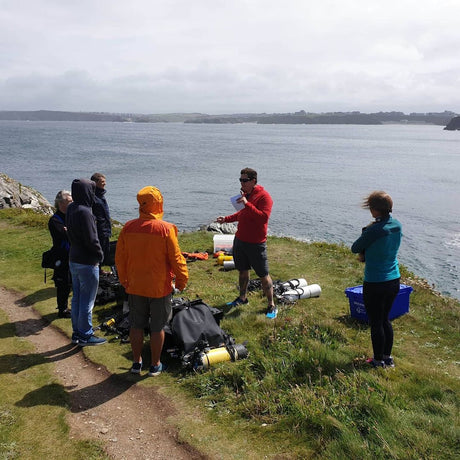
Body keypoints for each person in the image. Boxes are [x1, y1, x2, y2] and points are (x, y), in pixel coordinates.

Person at [115, 186, 189, 376]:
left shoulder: (128, 227)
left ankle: (136, 362)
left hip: (134, 285)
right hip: (159, 287)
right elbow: (176, 258)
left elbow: (120, 258)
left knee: (136, 324)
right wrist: (181, 281)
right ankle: (155, 364)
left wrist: (124, 280)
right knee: (157, 327)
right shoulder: (165, 229)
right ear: (158, 203)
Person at [216, 167, 276, 318]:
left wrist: (247, 203)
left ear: (253, 181)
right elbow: (242, 214)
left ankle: (271, 305)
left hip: (256, 243)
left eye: (244, 180)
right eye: (240, 180)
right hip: (240, 240)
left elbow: (263, 218)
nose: (241, 183)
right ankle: (242, 298)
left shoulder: (264, 197)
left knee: (263, 275)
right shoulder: (246, 195)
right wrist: (226, 219)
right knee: (243, 271)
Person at [351, 191, 402, 368]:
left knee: (375, 322)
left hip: (375, 282)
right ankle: (388, 358)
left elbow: (355, 247)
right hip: (394, 279)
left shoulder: (374, 230)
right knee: (385, 319)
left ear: (374, 210)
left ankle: (378, 360)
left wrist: (367, 235)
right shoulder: (397, 225)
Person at [66, 178, 107, 346]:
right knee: (87, 301)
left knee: (77, 298)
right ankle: (86, 334)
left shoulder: (71, 208)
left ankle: (77, 332)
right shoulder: (86, 212)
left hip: (73, 258)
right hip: (87, 261)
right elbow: (92, 239)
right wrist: (100, 255)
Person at [48, 190, 73, 318]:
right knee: (63, 283)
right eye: (69, 201)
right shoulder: (55, 220)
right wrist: (70, 231)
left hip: (71, 255)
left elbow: (71, 232)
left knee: (70, 282)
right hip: (61, 257)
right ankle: (62, 310)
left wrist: (70, 230)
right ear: (61, 203)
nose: (72, 203)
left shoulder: (68, 217)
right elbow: (65, 235)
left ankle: (66, 307)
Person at [90, 172, 112, 266]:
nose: (105, 183)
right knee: (99, 252)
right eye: (102, 181)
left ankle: (100, 269)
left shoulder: (100, 195)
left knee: (105, 252)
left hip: (105, 230)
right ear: (95, 183)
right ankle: (97, 271)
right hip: (99, 230)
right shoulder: (93, 197)